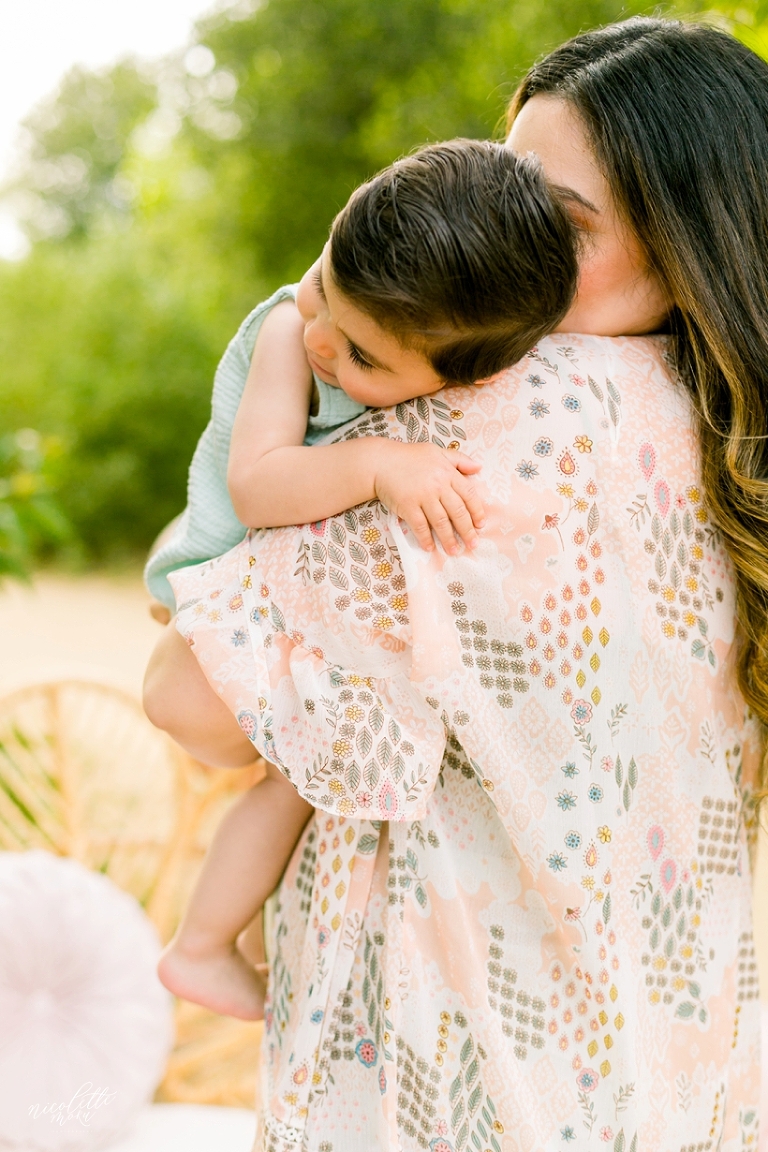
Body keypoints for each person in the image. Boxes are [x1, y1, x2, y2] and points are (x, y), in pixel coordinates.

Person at [150, 18, 767, 1149]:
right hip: (671, 1057)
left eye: (556, 224)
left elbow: (192, 703)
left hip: (450, 1059)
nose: (499, 241)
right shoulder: (729, 442)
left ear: (688, 248)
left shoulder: (492, 420)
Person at [143, 139, 577, 1020]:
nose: (324, 339)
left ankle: (236, 940)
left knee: (300, 795)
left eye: (366, 361)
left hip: (253, 622)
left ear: (475, 379)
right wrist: (380, 459)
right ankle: (197, 946)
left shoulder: (449, 336)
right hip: (216, 609)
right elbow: (260, 485)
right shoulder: (285, 336)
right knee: (288, 787)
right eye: (326, 286)